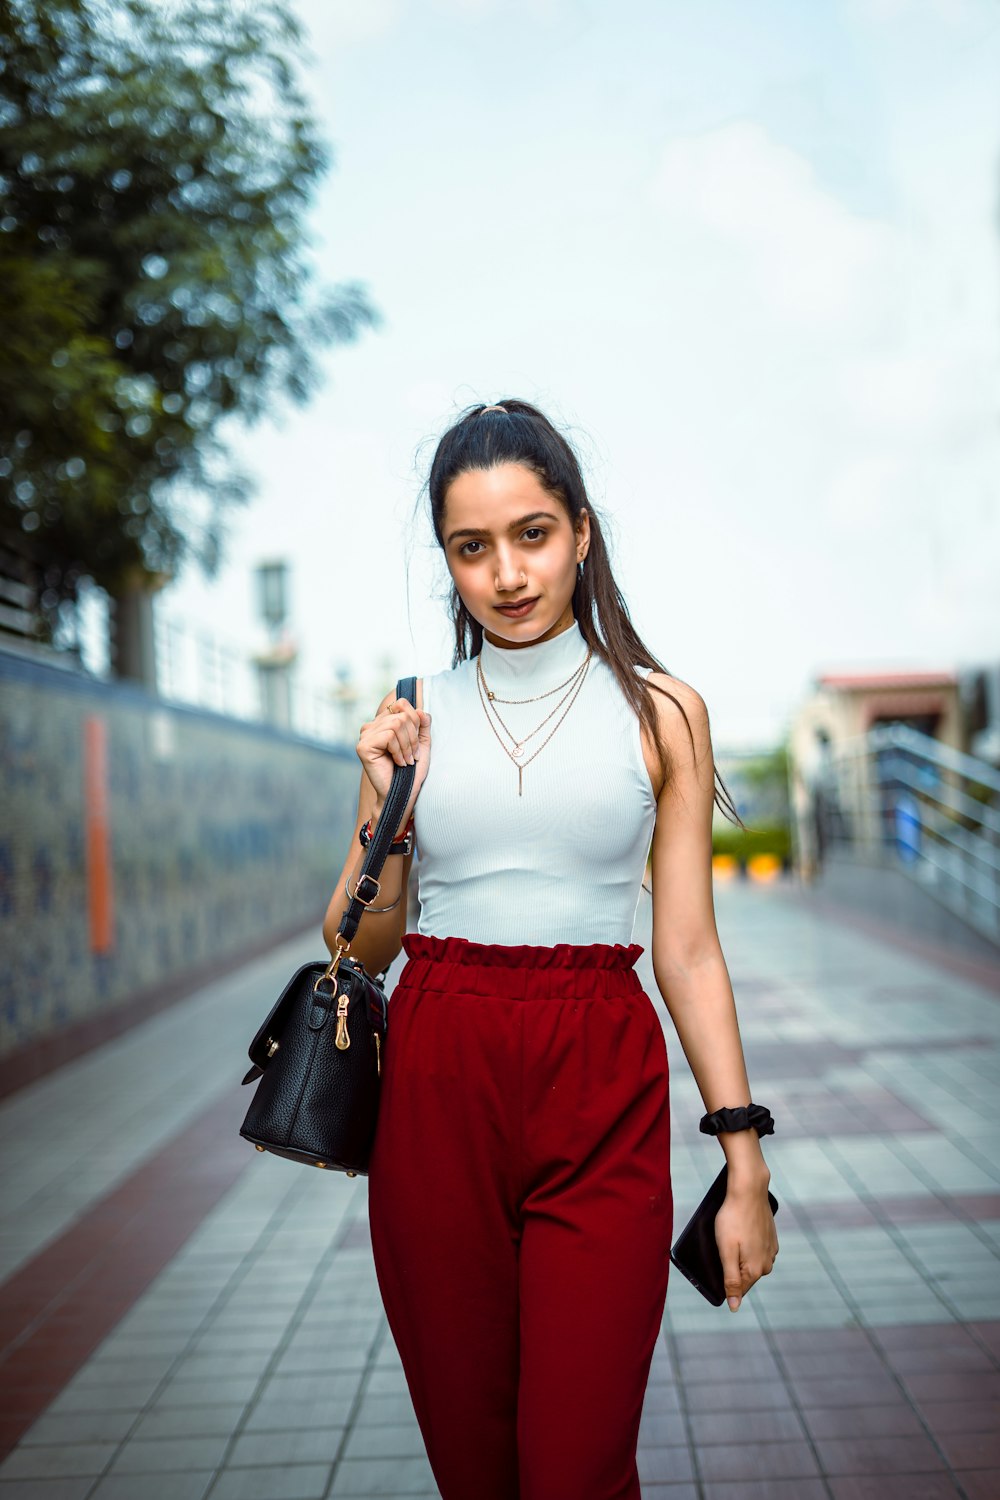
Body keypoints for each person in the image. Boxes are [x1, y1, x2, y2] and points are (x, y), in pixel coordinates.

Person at [322, 398, 779, 1500]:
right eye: (471, 548)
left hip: (599, 1071)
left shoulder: (662, 710)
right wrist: (382, 804)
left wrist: (743, 1156)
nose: (508, 573)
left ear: (579, 530)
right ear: (448, 561)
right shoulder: (411, 713)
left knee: (575, 1465)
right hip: (439, 1073)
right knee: (476, 1466)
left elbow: (689, 952)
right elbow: (357, 943)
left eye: (531, 534)